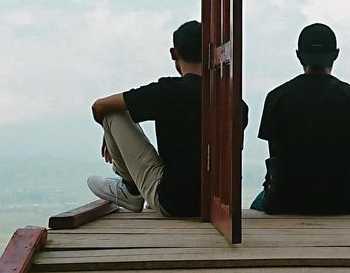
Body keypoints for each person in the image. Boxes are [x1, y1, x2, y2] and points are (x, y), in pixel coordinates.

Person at [87, 20, 246, 217]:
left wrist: (108, 130)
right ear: (213, 53)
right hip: (219, 205)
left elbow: (99, 106)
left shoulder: (167, 92)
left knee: (113, 113)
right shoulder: (235, 102)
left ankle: (130, 189)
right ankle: (130, 189)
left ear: (174, 53)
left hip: (174, 203)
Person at [252, 23, 350, 215]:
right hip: (344, 200)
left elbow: (275, 157)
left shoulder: (277, 97)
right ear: (336, 54)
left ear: (298, 55)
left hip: (286, 199)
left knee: (257, 203)